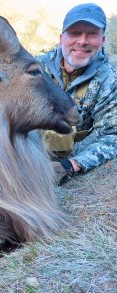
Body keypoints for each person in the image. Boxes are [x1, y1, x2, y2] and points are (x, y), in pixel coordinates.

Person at [37, 3, 117, 185]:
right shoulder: (35, 68)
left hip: (68, 156)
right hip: (26, 150)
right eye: (75, 33)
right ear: (61, 38)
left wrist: (72, 165)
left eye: (92, 34)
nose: (82, 41)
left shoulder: (111, 81)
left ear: (102, 40)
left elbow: (113, 135)